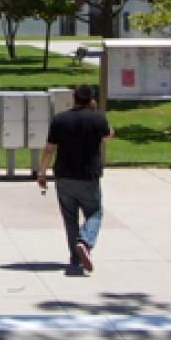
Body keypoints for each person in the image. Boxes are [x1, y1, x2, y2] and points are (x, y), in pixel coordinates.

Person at [37, 84, 113, 275]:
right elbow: (109, 136)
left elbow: (49, 148)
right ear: (91, 99)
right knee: (95, 213)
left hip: (64, 176)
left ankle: (75, 256)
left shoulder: (60, 120)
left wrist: (42, 171)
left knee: (70, 218)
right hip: (89, 176)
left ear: (74, 98)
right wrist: (95, 112)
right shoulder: (98, 119)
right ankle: (85, 243)